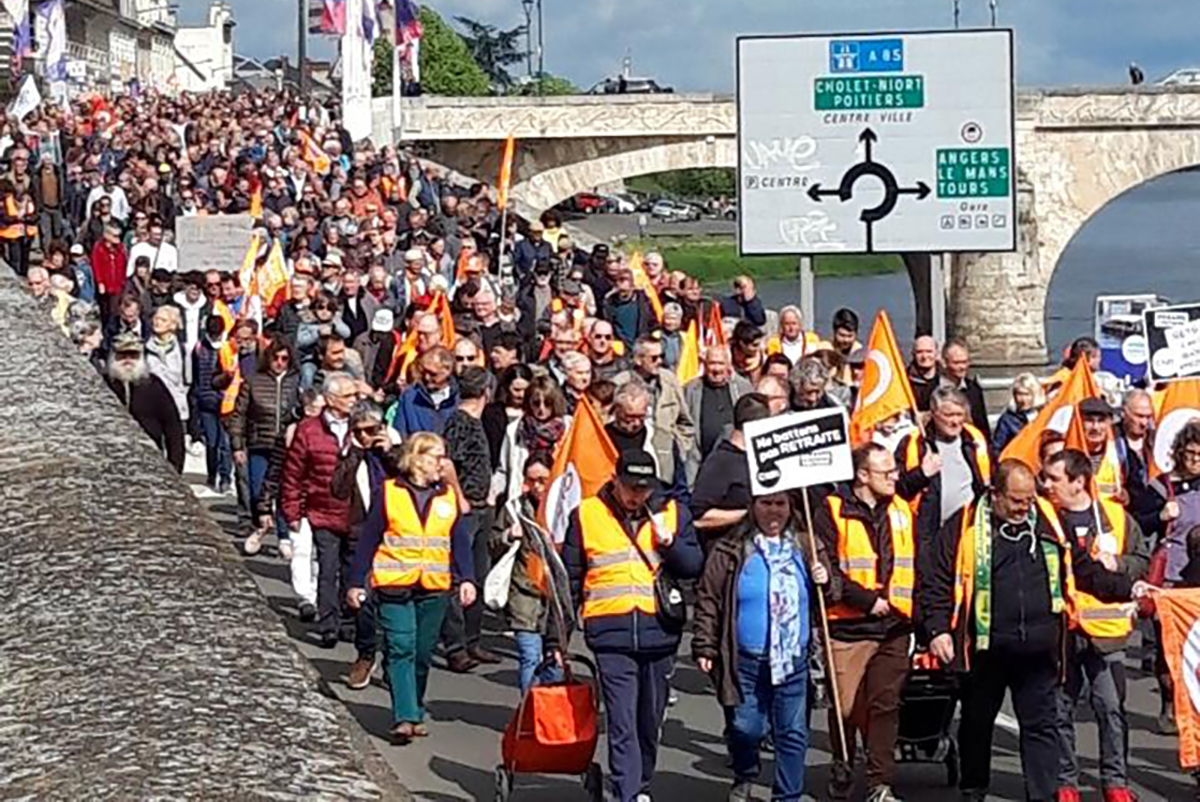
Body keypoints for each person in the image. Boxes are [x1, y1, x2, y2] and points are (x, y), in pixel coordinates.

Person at [924, 461, 1137, 802]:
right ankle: (973, 788)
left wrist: (1128, 587)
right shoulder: (962, 525)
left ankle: (1042, 794)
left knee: (1041, 727)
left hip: (1039, 649)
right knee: (977, 723)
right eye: (1016, 500)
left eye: (1029, 499)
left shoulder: (1050, 520)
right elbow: (934, 580)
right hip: (985, 647)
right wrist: (937, 629)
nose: (1025, 507)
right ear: (995, 495)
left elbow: (1082, 569)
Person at [562, 451, 703, 802]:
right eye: (629, 487)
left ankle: (641, 784)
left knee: (648, 720)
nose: (636, 495)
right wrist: (558, 636)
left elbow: (692, 566)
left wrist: (668, 543)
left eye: (643, 488)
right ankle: (627, 792)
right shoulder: (587, 515)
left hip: (660, 632)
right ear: (615, 480)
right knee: (622, 720)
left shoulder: (672, 514)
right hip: (610, 633)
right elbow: (571, 577)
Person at [693, 491, 830, 802]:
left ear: (790, 508)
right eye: (766, 503)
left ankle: (787, 796)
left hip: (793, 660)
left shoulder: (807, 547)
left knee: (792, 733)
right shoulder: (730, 549)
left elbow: (830, 596)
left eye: (780, 504)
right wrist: (705, 645)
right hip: (747, 661)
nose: (773, 510)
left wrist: (825, 577)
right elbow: (708, 598)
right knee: (746, 728)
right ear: (753, 507)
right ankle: (745, 771)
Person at [346, 433, 477, 744]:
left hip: (434, 587)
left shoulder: (446, 497)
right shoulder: (389, 492)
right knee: (401, 646)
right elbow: (369, 539)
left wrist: (468, 578)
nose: (443, 464)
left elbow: (459, 540)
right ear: (418, 459)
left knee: (421, 652)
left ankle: (414, 706)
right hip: (394, 585)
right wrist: (355, 581)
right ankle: (405, 716)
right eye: (438, 457)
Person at [1042, 449, 1149, 802]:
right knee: (1060, 710)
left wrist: (1117, 563)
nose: (1047, 485)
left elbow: (1142, 561)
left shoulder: (1116, 517)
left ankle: (1115, 782)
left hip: (1108, 637)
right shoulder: (1048, 519)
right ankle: (1066, 783)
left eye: (1054, 478)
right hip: (1064, 632)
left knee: (1110, 708)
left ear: (1078, 481)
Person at [813, 443, 916, 802]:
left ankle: (879, 783)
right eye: (886, 473)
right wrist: (867, 600)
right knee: (844, 709)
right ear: (862, 475)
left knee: (885, 702)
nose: (895, 477)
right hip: (847, 626)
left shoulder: (902, 509)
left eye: (895, 471)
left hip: (894, 626)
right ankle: (843, 760)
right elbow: (829, 569)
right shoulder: (831, 510)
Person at [896, 386, 991, 607]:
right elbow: (896, 489)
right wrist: (921, 474)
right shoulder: (914, 442)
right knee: (932, 589)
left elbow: (988, 477)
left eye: (960, 415)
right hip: (928, 532)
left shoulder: (974, 438)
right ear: (934, 413)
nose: (955, 421)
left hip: (967, 531)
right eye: (949, 415)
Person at [280, 372, 355, 649]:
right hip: (322, 509)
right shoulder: (309, 429)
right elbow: (293, 474)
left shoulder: (360, 425)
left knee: (352, 569)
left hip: (356, 511)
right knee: (328, 567)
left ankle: (349, 620)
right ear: (332, 399)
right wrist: (293, 512)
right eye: (348, 396)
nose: (354, 401)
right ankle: (329, 623)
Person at [490, 451, 567, 695]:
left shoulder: (564, 510)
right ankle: (529, 714)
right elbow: (492, 542)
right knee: (529, 657)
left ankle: (550, 714)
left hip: (554, 597)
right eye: (531, 479)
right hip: (523, 594)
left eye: (542, 479)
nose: (537, 486)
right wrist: (507, 535)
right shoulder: (514, 509)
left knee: (554, 660)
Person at [330, 401, 395, 689]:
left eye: (373, 430)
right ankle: (365, 654)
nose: (368, 436)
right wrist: (355, 451)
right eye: (361, 431)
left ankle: (394, 663)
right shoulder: (348, 453)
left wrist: (390, 452)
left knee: (395, 605)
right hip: (360, 536)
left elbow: (411, 482)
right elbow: (338, 488)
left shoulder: (397, 453)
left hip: (396, 540)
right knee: (362, 602)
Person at [441, 366, 500, 672]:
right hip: (464, 509)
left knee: (478, 574)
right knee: (458, 578)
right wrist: (459, 496)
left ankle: (473, 640)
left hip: (481, 506)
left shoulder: (475, 422)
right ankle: (456, 646)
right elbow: (448, 462)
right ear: (485, 392)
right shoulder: (460, 422)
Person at [229, 336, 301, 557]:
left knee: (282, 492)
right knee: (257, 489)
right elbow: (239, 415)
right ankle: (259, 526)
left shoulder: (296, 382)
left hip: (286, 446)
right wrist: (237, 445)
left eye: (284, 359)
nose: (279, 363)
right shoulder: (253, 381)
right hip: (259, 442)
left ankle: (283, 536)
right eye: (276, 358)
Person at [691, 394, 772, 553]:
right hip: (729, 554)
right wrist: (748, 515)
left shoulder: (760, 460)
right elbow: (699, 517)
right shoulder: (721, 462)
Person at [105, 331, 185, 473]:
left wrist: (175, 467)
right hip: (112, 463)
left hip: (151, 462)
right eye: (122, 355)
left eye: (133, 355)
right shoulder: (103, 386)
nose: (128, 360)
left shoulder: (154, 385)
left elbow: (173, 428)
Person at [493, 376, 568, 508]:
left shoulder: (568, 428)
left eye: (548, 403)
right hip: (523, 496)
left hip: (558, 499)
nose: (541, 409)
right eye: (536, 403)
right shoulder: (515, 430)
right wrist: (493, 494)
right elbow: (503, 469)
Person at [684, 345, 752, 467]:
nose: (716, 369)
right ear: (705, 365)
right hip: (698, 461)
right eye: (712, 363)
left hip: (735, 461)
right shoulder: (690, 389)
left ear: (728, 365)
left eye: (720, 363)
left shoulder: (743, 388)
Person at [391, 347, 459, 437]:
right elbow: (399, 433)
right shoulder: (409, 397)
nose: (427, 377)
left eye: (433, 374)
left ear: (447, 371)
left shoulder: (459, 398)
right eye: (424, 372)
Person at [1079, 397, 1124, 500]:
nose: (1095, 427)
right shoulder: (1070, 456)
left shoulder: (1119, 453)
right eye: (1089, 421)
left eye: (1101, 421)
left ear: (1109, 423)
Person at [992, 372, 1043, 454]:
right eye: (1019, 394)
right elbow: (997, 448)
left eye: (1027, 394)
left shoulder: (1042, 415)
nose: (1023, 399)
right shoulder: (1007, 420)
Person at [907, 334, 939, 412]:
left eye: (929, 351)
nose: (924, 356)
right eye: (919, 352)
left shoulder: (948, 379)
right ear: (913, 354)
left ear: (937, 353)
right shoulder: (904, 380)